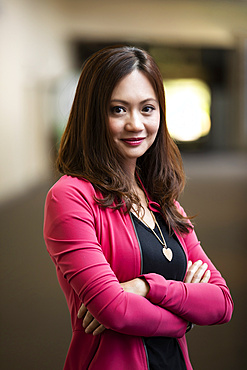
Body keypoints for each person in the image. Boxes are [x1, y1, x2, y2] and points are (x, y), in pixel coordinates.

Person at [43, 45, 233, 370]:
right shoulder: (70, 197)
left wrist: (145, 287)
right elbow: (114, 309)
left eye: (147, 109)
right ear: (92, 114)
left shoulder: (164, 201)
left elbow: (222, 304)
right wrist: (184, 315)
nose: (135, 124)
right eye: (118, 110)